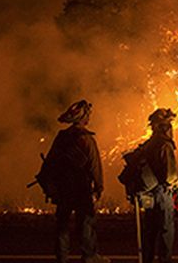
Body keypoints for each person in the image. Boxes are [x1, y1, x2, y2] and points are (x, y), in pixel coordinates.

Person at [45, 100, 108, 263]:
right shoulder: (87, 140)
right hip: (81, 189)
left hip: (64, 189)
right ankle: (89, 257)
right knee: (86, 223)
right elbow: (95, 165)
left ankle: (62, 258)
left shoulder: (61, 138)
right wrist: (99, 187)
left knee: (62, 226)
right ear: (83, 118)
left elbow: (50, 162)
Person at [139, 108, 178, 263]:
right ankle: (164, 260)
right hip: (162, 194)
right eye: (169, 125)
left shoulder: (149, 144)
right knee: (165, 228)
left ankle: (147, 259)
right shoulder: (165, 145)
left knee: (149, 228)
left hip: (147, 194)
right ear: (165, 127)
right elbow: (170, 176)